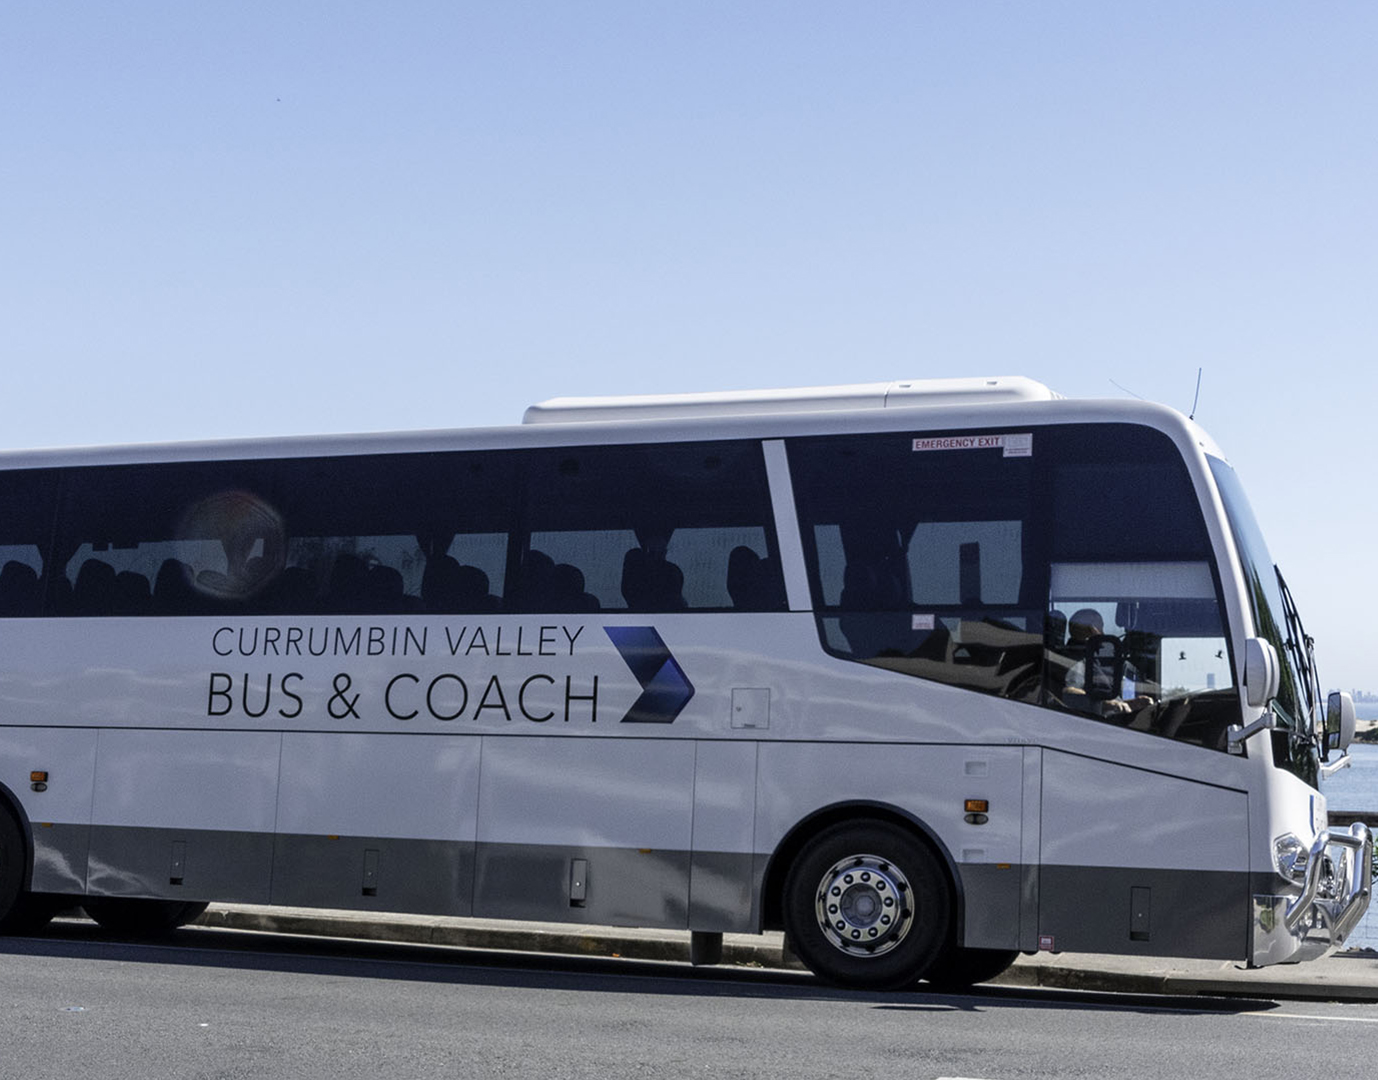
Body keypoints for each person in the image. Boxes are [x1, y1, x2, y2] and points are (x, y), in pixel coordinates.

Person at [1061, 607, 1153, 716]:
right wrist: (1105, 704)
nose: (1103, 633)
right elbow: (1069, 692)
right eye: (1101, 627)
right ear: (1094, 629)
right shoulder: (1078, 661)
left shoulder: (1090, 657)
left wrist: (1129, 704)